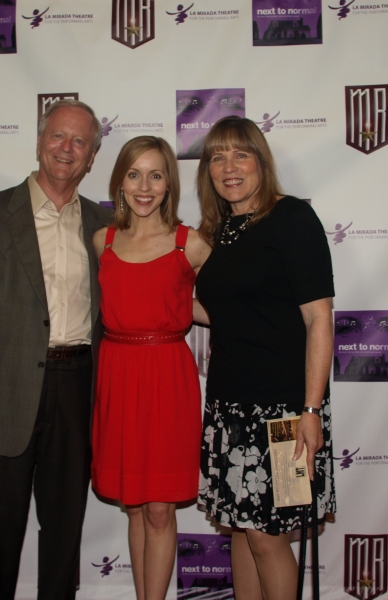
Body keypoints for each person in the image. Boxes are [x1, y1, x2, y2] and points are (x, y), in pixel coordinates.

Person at [0, 99, 112, 600]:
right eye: (58, 136)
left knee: (64, 528)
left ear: (92, 157)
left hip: (78, 385)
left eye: (80, 142)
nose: (67, 149)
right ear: (39, 142)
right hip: (2, 389)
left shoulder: (104, 225)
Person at [194, 116, 336, 600]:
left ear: (261, 161)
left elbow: (319, 319)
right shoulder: (223, 231)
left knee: (267, 537)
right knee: (240, 528)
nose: (228, 167)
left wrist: (311, 412)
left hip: (283, 414)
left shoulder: (291, 217)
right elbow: (229, 314)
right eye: (217, 156)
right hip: (228, 409)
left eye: (240, 154)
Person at [91, 136, 211, 600]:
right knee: (135, 507)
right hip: (117, 376)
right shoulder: (103, 239)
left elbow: (225, 305)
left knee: (160, 510)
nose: (145, 186)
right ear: (120, 181)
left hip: (167, 378)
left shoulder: (190, 243)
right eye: (134, 174)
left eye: (156, 175)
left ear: (169, 183)